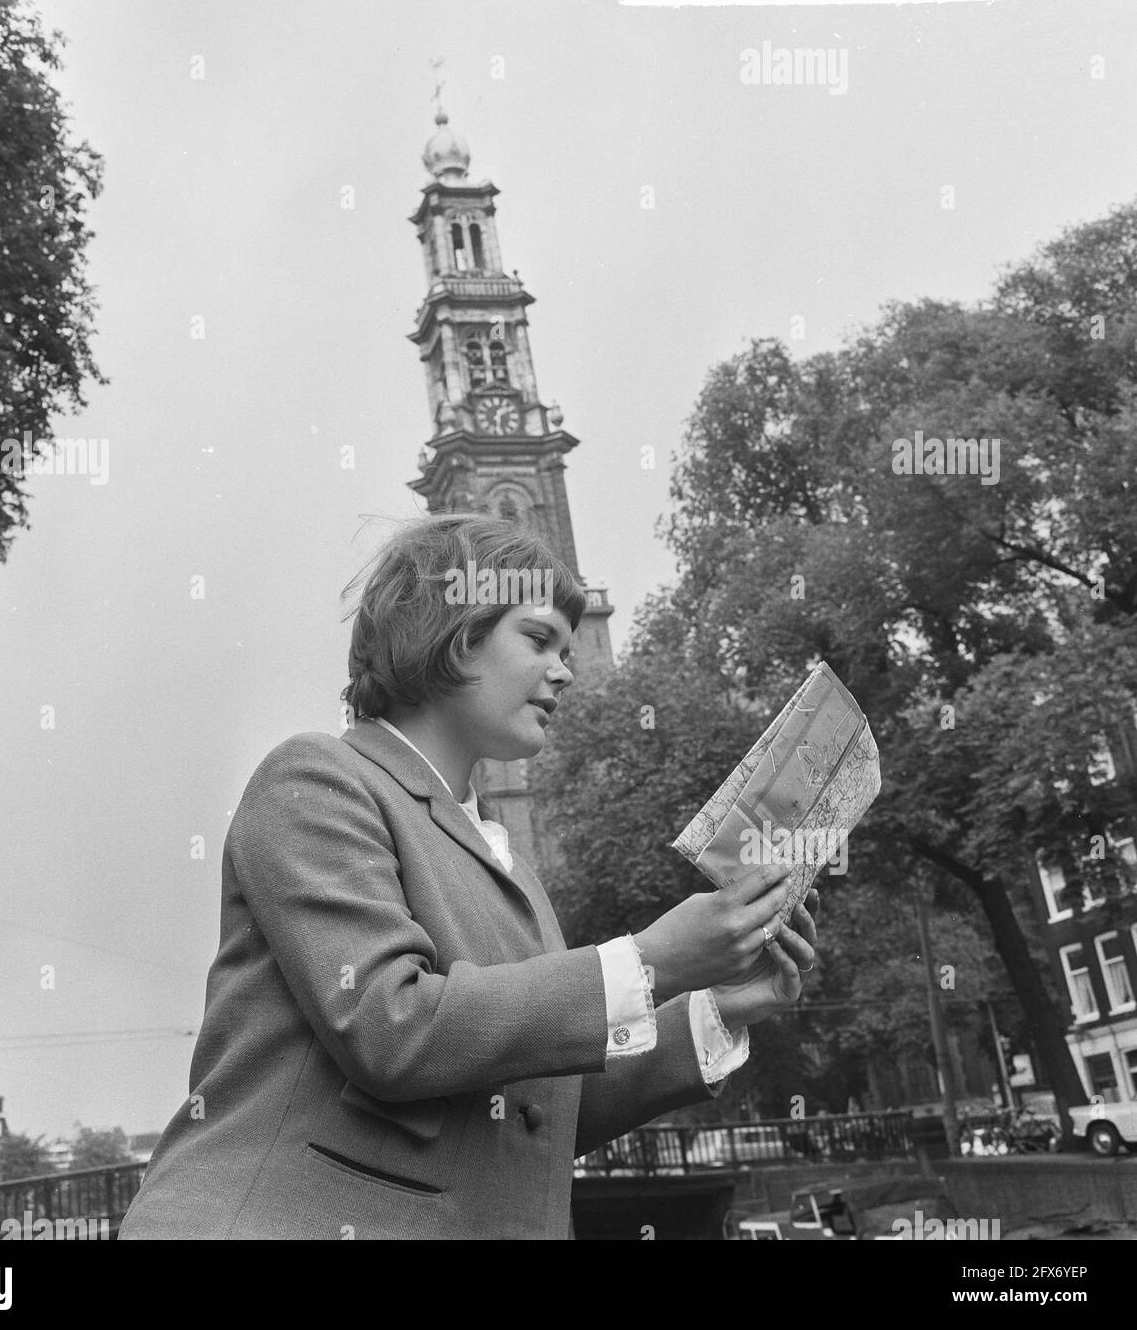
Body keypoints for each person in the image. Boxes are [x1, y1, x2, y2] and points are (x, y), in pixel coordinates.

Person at [118, 513, 818, 1240]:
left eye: (568, 649)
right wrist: (648, 961)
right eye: (538, 639)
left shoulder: (514, 872)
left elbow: (531, 1113)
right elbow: (392, 1026)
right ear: (452, 630)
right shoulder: (316, 781)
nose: (564, 671)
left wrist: (717, 1006)